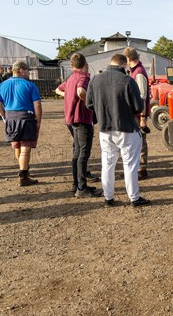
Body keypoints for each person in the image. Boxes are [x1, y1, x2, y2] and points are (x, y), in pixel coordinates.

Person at [85, 54, 149, 207]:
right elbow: (139, 107)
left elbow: (88, 104)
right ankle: (134, 198)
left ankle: (108, 197)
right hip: (126, 128)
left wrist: (101, 110)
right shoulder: (128, 81)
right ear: (124, 65)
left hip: (105, 129)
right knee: (130, 165)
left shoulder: (95, 80)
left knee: (107, 164)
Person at [55, 53, 102, 197]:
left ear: (71, 65)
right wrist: (89, 102)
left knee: (77, 152)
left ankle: (76, 184)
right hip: (82, 119)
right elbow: (81, 90)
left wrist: (69, 96)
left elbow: (58, 89)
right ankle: (81, 188)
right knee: (83, 153)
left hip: (71, 119)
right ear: (85, 64)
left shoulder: (70, 78)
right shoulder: (84, 77)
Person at [0, 61, 42, 186]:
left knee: (17, 145)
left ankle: (23, 168)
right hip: (26, 117)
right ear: (21, 70)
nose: (28, 73)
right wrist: (38, 121)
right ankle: (24, 176)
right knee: (25, 148)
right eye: (27, 71)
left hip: (10, 118)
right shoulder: (30, 85)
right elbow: (37, 105)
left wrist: (5, 117)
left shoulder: (2, 85)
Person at [123, 47, 151, 180]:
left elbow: (142, 97)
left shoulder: (138, 73)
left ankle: (142, 169)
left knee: (140, 141)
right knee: (136, 141)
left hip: (138, 114)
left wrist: (142, 117)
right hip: (135, 114)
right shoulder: (135, 71)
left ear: (128, 59)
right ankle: (138, 168)